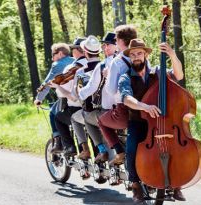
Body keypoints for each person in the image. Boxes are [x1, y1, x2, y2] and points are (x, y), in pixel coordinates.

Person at [118, 38, 186, 203]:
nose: (136, 57)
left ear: (146, 55)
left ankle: (175, 184)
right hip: (139, 121)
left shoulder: (158, 72)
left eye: (139, 53)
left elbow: (179, 75)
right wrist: (143, 106)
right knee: (132, 148)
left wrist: (171, 53)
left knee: (175, 148)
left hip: (162, 122)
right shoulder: (125, 77)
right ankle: (135, 183)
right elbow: (126, 98)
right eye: (133, 54)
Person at [98, 25, 137, 166]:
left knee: (101, 121)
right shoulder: (141, 56)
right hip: (142, 107)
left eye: (115, 39)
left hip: (124, 110)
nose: (115, 41)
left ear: (120, 41)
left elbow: (111, 90)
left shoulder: (117, 62)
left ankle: (120, 152)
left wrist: (108, 76)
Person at [78, 32, 117, 163]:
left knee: (86, 116)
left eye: (108, 45)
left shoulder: (102, 66)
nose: (105, 48)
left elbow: (90, 89)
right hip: (127, 109)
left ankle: (101, 150)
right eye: (104, 45)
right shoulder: (126, 61)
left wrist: (79, 93)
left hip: (109, 112)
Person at [48, 38, 88, 157]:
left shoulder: (71, 68)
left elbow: (63, 94)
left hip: (76, 108)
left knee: (58, 118)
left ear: (77, 50)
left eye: (73, 49)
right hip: (93, 107)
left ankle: (69, 146)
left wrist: (57, 87)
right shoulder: (96, 64)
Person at [34, 43, 75, 152]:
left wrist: (39, 98)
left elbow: (47, 83)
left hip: (66, 97)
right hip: (79, 97)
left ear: (60, 53)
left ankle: (58, 142)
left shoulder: (57, 64)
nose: (52, 58)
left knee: (53, 113)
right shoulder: (75, 60)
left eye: (53, 54)